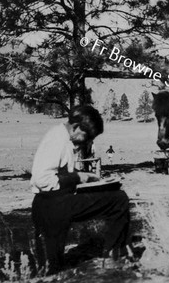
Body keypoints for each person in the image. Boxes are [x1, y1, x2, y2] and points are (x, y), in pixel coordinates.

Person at [30, 105, 131, 274]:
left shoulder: (62, 136)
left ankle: (114, 256)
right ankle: (113, 256)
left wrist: (87, 176)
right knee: (118, 199)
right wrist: (78, 178)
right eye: (87, 136)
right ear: (76, 127)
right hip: (52, 206)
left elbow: (60, 173)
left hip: (54, 204)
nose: (87, 141)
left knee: (117, 197)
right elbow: (42, 179)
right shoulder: (57, 140)